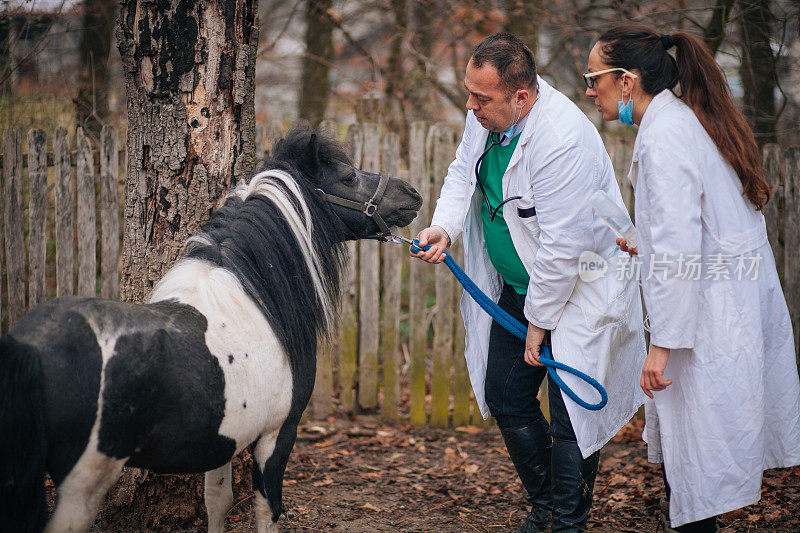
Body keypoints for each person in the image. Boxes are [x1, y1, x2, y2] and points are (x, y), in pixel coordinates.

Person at [412, 33, 647, 533]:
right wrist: (444, 227)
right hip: (520, 287)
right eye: (469, 94)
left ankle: (565, 520)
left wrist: (539, 326)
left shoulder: (562, 140)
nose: (470, 107)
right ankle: (545, 504)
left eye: (482, 98)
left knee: (569, 417)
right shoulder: (492, 116)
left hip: (581, 290)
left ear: (522, 96)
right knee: (505, 393)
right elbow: (462, 173)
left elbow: (563, 249)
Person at [583, 22, 800, 532]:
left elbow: (682, 249)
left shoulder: (665, 139)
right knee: (694, 465)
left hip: (705, 320)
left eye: (595, 78)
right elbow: (697, 227)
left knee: (697, 465)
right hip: (714, 307)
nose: (589, 90)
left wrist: (663, 346)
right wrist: (644, 238)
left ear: (627, 81)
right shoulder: (678, 123)